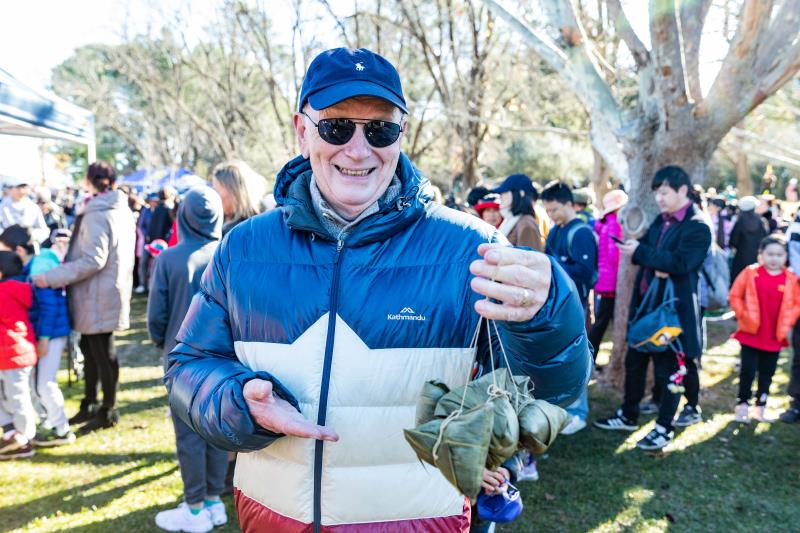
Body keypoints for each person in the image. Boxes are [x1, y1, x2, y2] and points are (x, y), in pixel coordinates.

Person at [164, 47, 590, 532]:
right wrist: (238, 400)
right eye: (337, 126)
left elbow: (547, 396)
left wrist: (550, 317)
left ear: (400, 135)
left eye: (380, 129)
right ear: (302, 131)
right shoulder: (243, 248)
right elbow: (188, 365)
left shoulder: (472, 248)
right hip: (274, 517)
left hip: (419, 521)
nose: (359, 149)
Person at [594, 165, 711, 451]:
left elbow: (683, 264)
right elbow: (654, 255)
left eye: (664, 192)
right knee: (635, 360)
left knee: (669, 368)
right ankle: (628, 414)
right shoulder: (663, 220)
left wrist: (647, 256)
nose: (659, 198)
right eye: (657, 193)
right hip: (647, 306)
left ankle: (663, 428)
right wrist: (650, 257)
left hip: (673, 310)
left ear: (683, 190)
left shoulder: (697, 225)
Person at [32, 161, 135, 434]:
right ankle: (91, 403)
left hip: (97, 293)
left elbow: (94, 259)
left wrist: (53, 276)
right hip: (107, 289)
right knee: (92, 351)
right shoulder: (118, 208)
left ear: (90, 181)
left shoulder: (99, 211)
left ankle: (107, 409)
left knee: (102, 353)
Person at [148, 187, 229, 533]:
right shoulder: (229, 253)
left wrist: (161, 343)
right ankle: (214, 502)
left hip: (182, 359)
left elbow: (157, 315)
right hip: (224, 357)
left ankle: (195, 508)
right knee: (216, 429)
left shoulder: (168, 259)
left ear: (182, 217)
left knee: (189, 435)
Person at [0, 226, 74, 446]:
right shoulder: (26, 270)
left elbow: (48, 308)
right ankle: (48, 424)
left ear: (19, 250)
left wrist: (43, 339)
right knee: (35, 385)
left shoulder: (38, 269)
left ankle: (62, 429)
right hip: (40, 335)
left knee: (45, 384)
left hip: (51, 334)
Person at [541, 181, 598, 434]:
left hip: (578, 307)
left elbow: (586, 273)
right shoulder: (554, 231)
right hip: (556, 308)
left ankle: (579, 412)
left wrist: (555, 265)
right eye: (548, 211)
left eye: (554, 210)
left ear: (568, 204)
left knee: (576, 358)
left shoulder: (582, 233)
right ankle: (563, 407)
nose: (551, 215)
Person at [729, 235, 799, 423]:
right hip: (750, 335)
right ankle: (742, 404)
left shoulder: (791, 279)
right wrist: (743, 314)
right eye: (770, 254)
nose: (774, 258)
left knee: (767, 373)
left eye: (779, 254)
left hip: (774, 337)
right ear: (761, 254)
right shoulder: (750, 273)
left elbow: (796, 304)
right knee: (747, 371)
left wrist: (788, 321)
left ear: (786, 256)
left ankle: (761, 405)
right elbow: (735, 295)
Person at [0, 250, 38, 459]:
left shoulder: (4, 293)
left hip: (13, 354)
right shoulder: (20, 289)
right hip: (17, 352)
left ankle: (25, 438)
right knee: (17, 395)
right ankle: (13, 432)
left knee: (18, 396)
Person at [588, 190, 627, 363]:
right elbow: (614, 254)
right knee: (603, 322)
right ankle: (590, 357)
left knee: (603, 320)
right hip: (612, 281)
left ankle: (592, 356)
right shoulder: (615, 224)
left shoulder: (604, 223)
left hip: (604, 280)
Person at [211, 160, 268, 236]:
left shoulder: (255, 226)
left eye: (217, 190)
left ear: (234, 191)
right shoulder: (218, 219)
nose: (213, 195)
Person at [491, 173, 543, 251]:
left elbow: (529, 260)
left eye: (504, 191)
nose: (500, 195)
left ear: (521, 193)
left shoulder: (526, 224)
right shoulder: (512, 220)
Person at [730, 196, 768, 283]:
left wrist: (734, 247)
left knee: (739, 279)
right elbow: (765, 238)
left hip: (741, 256)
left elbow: (734, 239)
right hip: (756, 256)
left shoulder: (739, 221)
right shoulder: (761, 221)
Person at [0, 178, 49, 243]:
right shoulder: (3, 205)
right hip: (6, 243)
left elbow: (43, 230)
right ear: (11, 189)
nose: (21, 190)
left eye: (24, 187)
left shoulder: (33, 207)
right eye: (18, 187)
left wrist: (32, 236)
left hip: (27, 244)